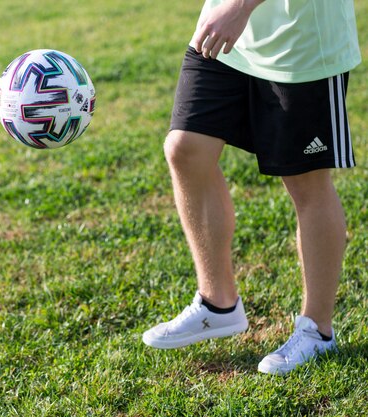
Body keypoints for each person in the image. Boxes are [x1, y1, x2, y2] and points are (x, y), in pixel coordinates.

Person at [142, 0, 361, 375]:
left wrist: (241, 7)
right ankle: (218, 303)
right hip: (227, 31)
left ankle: (318, 331)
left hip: (302, 42)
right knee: (186, 148)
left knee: (305, 181)